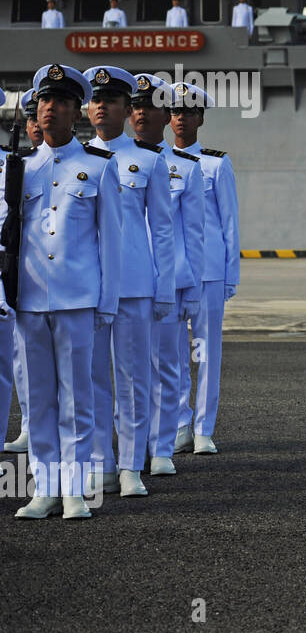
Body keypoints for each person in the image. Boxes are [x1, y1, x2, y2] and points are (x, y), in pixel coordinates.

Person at [13, 64, 121, 520]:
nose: (50, 108)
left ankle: (75, 490)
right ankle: (44, 488)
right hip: (29, 299)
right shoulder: (20, 169)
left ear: (77, 110)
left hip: (78, 300)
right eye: (44, 101)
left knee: (78, 398)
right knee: (37, 400)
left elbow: (112, 242)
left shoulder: (98, 167)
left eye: (60, 101)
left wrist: (108, 304)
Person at [85, 66, 175, 496]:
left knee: (134, 377)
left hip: (135, 284)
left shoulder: (147, 160)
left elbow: (163, 229)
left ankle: (130, 465)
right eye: (95, 99)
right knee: (93, 378)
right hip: (87, 285)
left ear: (125, 110)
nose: (102, 106)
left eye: (112, 101)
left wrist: (165, 287)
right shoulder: (76, 156)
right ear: (87, 108)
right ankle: (101, 461)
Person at [130, 75, 203, 471]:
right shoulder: (110, 161)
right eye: (136, 106)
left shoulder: (184, 167)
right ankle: (127, 447)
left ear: (164, 114)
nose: (142, 113)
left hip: (168, 281)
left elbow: (193, 234)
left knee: (166, 364)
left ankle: (165, 441)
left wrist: (190, 289)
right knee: (125, 370)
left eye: (151, 106)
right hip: (124, 282)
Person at [169, 83, 237, 455]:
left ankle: (203, 429)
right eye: (176, 112)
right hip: (173, 271)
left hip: (209, 270)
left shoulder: (215, 163)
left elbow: (229, 223)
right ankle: (180, 423)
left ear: (201, 118)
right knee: (175, 352)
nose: (181, 118)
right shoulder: (158, 161)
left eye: (189, 112)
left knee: (207, 351)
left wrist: (231, 276)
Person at [4, 89, 40, 455]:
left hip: (49, 276)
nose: (34, 126)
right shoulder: (18, 163)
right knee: (22, 359)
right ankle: (31, 424)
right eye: (29, 120)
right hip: (15, 269)